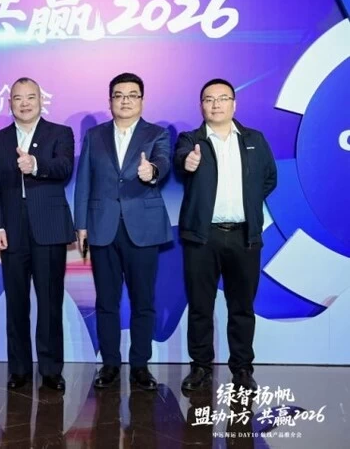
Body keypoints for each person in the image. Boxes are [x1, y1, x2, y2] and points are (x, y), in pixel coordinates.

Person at [175, 78, 277, 392]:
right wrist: (188, 162)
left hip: (245, 236)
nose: (216, 104)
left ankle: (242, 369)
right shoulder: (190, 139)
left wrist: (248, 204)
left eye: (222, 98)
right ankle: (200, 368)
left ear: (234, 104)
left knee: (242, 307)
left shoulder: (254, 139)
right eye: (209, 99)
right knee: (200, 307)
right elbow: (180, 161)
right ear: (201, 106)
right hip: (202, 237)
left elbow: (269, 178)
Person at [74, 72, 172, 391]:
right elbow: (84, 181)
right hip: (102, 228)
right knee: (106, 301)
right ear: (110, 100)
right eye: (119, 95)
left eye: (132, 95)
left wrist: (150, 171)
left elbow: (162, 163)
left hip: (142, 229)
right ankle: (110, 365)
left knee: (143, 301)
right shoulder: (95, 136)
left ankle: (140, 366)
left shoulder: (156, 134)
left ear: (142, 100)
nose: (125, 100)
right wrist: (81, 224)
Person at [0, 77, 75, 391]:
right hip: (12, 231)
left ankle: (50, 370)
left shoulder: (60, 133)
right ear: (9, 103)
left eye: (30, 97)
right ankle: (19, 369)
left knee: (50, 302)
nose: (24, 103)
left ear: (41, 100)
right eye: (18, 98)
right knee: (17, 303)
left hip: (49, 228)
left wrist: (35, 164)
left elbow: (64, 168)